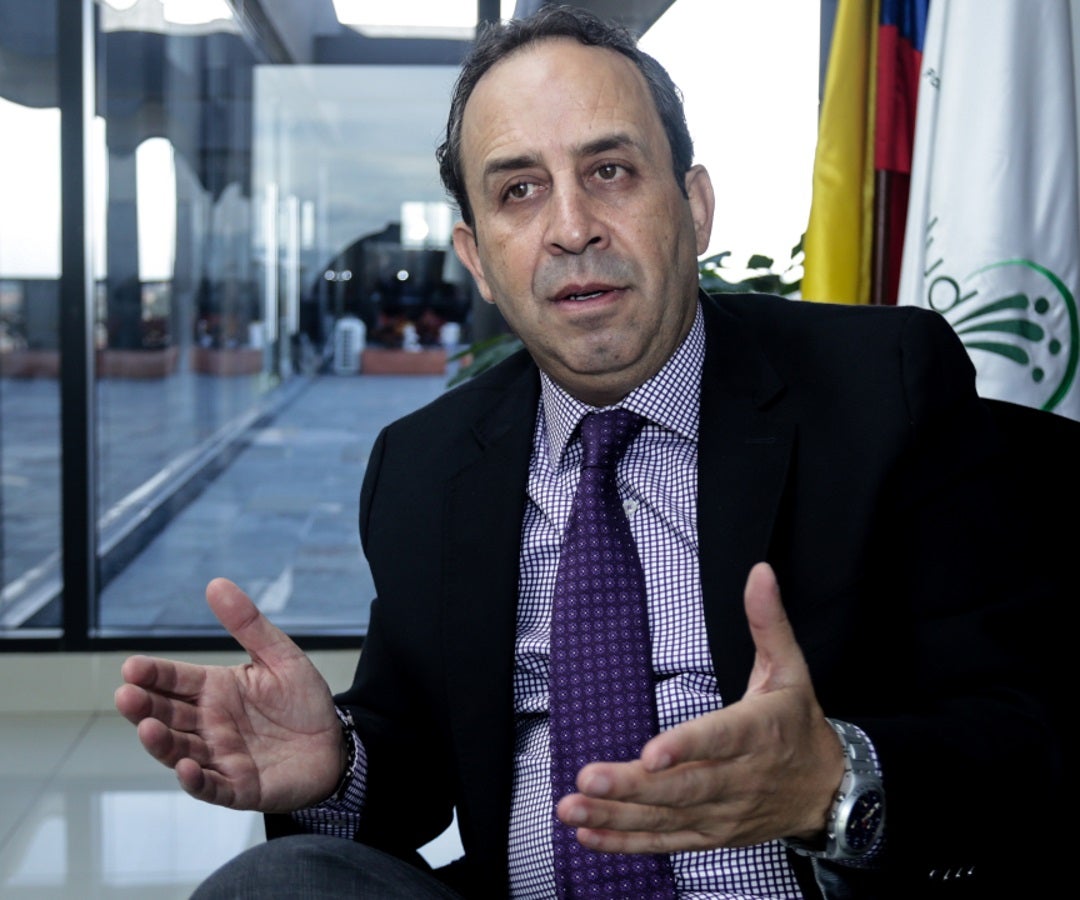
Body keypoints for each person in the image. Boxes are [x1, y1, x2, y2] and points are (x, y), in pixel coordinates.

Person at [115, 6, 1062, 898]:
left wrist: (834, 778)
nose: (571, 228)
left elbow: (1027, 724)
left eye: (610, 170)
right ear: (479, 259)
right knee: (272, 885)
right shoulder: (426, 467)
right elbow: (411, 767)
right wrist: (336, 766)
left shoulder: (881, 387)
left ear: (694, 207)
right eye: (519, 191)